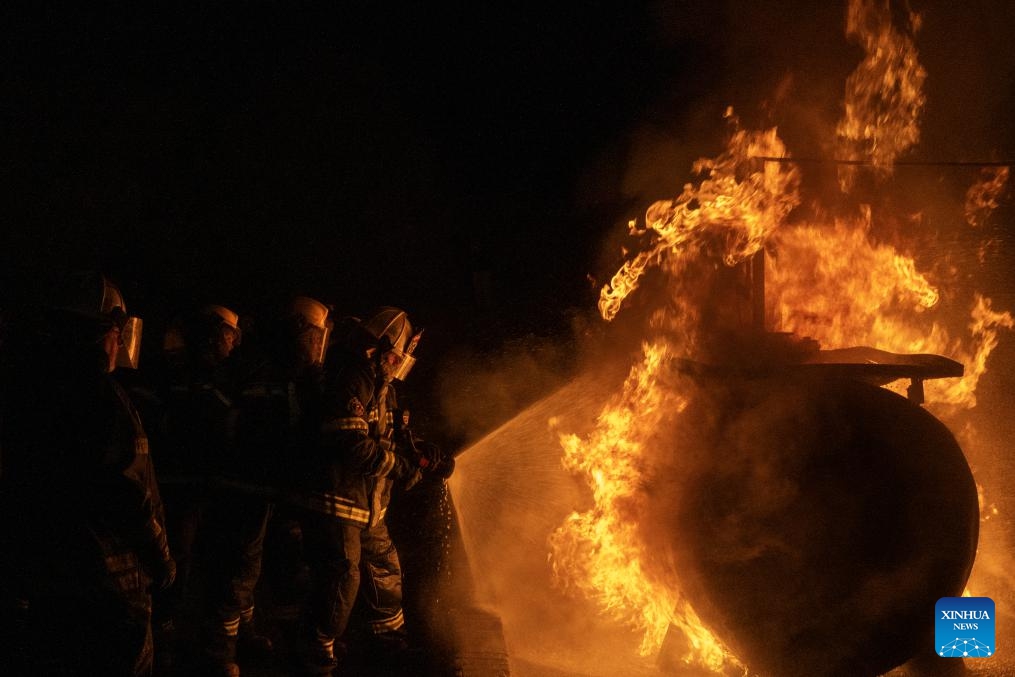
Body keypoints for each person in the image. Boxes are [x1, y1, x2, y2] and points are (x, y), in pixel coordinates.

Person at [0, 271, 175, 676]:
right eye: (117, 333)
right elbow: (130, 494)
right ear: (103, 332)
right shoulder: (104, 400)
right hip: (109, 588)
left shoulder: (27, 390)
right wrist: (162, 563)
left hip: (47, 580)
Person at [295, 307, 453, 675]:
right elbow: (351, 444)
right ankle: (315, 657)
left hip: (368, 507)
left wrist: (421, 456)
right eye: (396, 357)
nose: (397, 367)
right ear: (379, 348)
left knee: (385, 567)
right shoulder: (352, 380)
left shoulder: (383, 389)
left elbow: (393, 440)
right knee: (342, 578)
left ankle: (388, 645)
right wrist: (400, 467)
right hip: (337, 502)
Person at [200, 296, 332, 677]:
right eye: (314, 336)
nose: (317, 346)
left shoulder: (298, 375)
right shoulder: (256, 368)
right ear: (298, 333)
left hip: (278, 489)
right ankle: (219, 652)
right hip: (245, 487)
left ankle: (266, 639)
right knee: (239, 568)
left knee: (285, 568)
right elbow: (226, 423)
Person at [151, 304, 243, 672]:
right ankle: (167, 642)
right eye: (228, 335)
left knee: (203, 565)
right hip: (184, 487)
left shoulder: (208, 376)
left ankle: (189, 642)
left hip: (202, 487)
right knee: (179, 564)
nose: (232, 343)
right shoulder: (196, 377)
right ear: (212, 335)